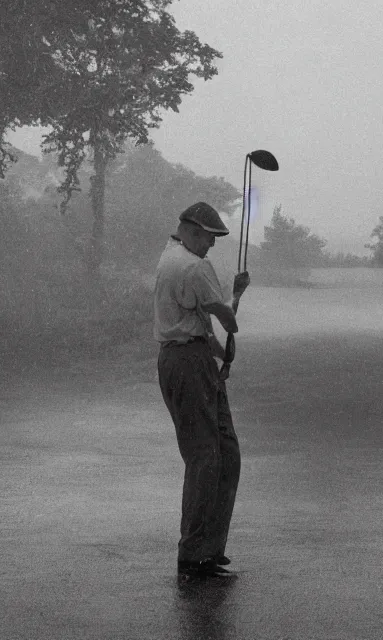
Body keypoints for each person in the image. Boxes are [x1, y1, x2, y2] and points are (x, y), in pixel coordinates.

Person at [154, 201, 250, 579]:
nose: (211, 246)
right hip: (187, 363)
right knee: (205, 457)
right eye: (210, 238)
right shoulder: (193, 265)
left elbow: (200, 317)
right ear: (192, 231)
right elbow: (223, 316)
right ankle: (194, 553)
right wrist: (237, 296)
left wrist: (218, 347)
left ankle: (208, 548)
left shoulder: (170, 254)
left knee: (224, 453)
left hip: (188, 358)